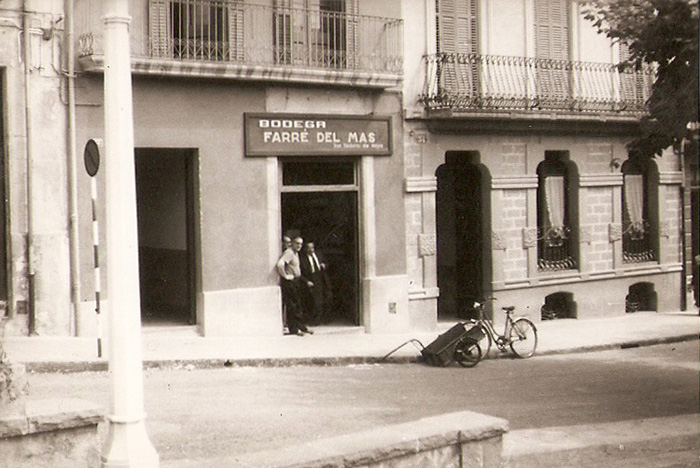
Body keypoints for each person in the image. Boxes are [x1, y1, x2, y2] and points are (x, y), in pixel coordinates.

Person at [276, 236, 313, 336]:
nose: (299, 246)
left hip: (296, 281)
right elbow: (280, 264)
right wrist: (286, 276)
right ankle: (294, 329)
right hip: (290, 283)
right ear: (292, 243)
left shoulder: (295, 254)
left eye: (301, 244)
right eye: (297, 243)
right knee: (292, 306)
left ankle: (301, 327)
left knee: (297, 305)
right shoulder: (289, 252)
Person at [299, 241, 333, 326]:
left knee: (328, 298)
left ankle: (326, 319)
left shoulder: (319, 254)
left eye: (312, 248)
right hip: (311, 280)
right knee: (315, 301)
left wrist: (325, 265)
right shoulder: (302, 258)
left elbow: (328, 263)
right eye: (308, 248)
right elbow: (299, 273)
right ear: (305, 249)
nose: (311, 250)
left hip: (322, 279)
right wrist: (307, 281)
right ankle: (315, 320)